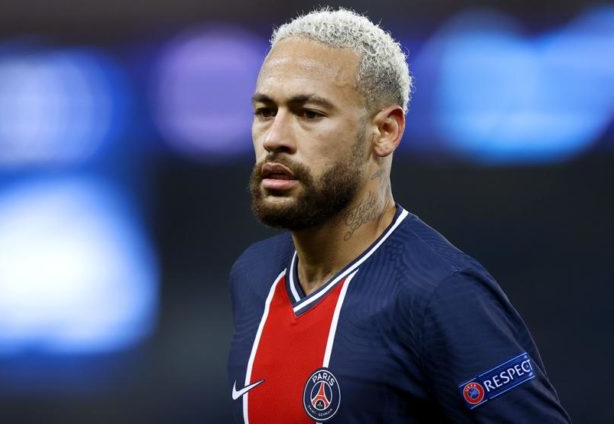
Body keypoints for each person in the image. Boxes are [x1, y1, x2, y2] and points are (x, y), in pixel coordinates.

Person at [227, 8, 570, 423]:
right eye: (265, 111)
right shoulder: (254, 276)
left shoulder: (441, 294)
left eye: (310, 114)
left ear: (385, 131)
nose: (275, 138)